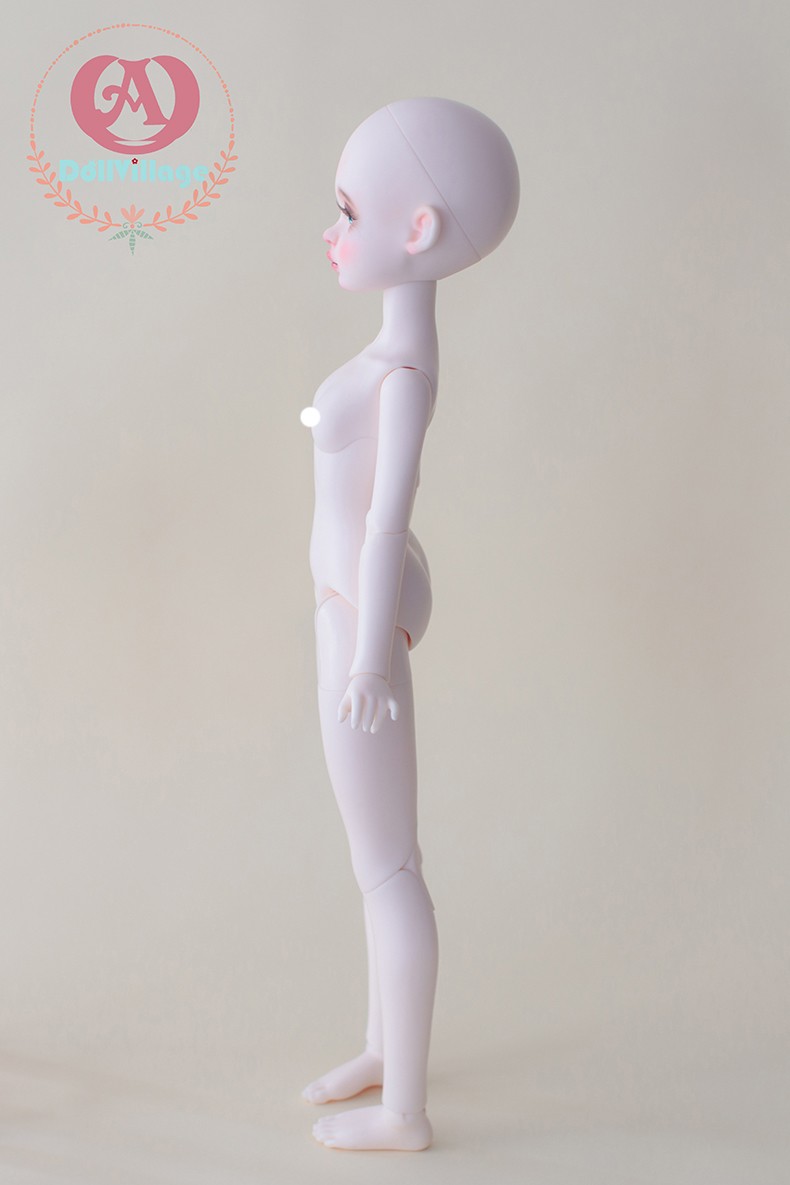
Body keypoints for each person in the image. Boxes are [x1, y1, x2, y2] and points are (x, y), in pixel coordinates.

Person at [302, 97, 519, 1152]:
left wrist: (367, 658)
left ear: (419, 229)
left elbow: (388, 518)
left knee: (388, 869)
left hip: (363, 625)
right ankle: (383, 1046)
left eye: (349, 212)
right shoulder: (394, 352)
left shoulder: (402, 377)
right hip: (353, 611)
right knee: (377, 859)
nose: (331, 233)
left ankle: (405, 1111)